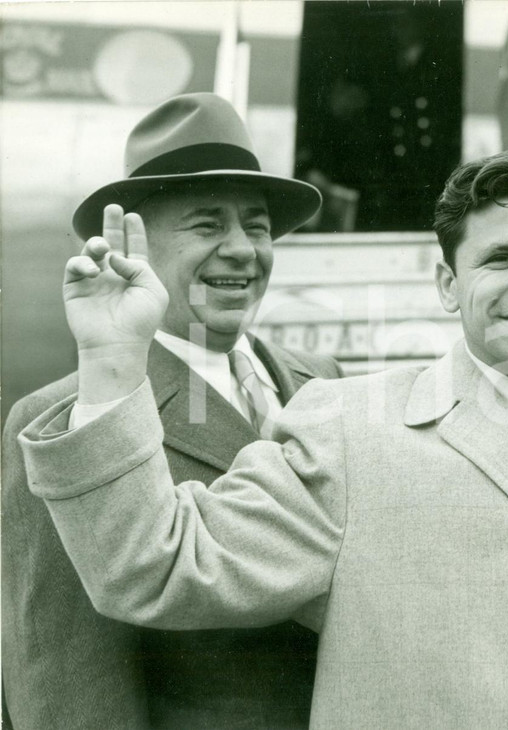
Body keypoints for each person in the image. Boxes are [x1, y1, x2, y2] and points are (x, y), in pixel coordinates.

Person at [18, 147, 508, 728]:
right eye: (499, 258)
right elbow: (152, 567)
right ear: (446, 284)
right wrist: (113, 364)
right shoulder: (346, 429)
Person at [2, 93, 343, 729]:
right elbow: (64, 667)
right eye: (208, 225)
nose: (243, 250)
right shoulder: (62, 420)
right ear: (136, 244)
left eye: (259, 226)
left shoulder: (319, 382)